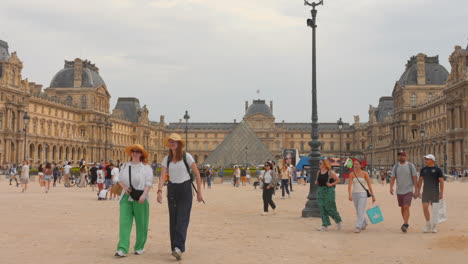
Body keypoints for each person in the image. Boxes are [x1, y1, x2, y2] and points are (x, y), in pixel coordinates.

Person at [157, 133, 203, 261]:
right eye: (170, 141)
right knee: (173, 219)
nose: (172, 143)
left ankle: (178, 247)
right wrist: (159, 190)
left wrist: (199, 192)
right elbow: (162, 176)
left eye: (174, 141)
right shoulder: (166, 159)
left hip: (185, 189)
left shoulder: (186, 156)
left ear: (179, 144)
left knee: (182, 218)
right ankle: (175, 248)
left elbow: (197, 174)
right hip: (172, 189)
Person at [115, 144, 153, 257]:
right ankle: (122, 248)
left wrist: (144, 195)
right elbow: (119, 179)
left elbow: (149, 182)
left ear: (141, 154)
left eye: (137, 151)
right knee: (124, 223)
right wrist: (124, 187)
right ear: (130, 153)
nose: (135, 153)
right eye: (133, 151)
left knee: (141, 223)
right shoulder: (125, 165)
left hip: (141, 196)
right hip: (126, 196)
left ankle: (139, 246)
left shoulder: (146, 167)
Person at [390, 151, 418, 233]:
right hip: (399, 190)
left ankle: (405, 224)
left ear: (406, 156)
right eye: (399, 155)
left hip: (408, 190)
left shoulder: (410, 165)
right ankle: (405, 222)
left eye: (402, 155)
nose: (401, 157)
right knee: (402, 207)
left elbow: (414, 177)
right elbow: (392, 177)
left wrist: (416, 189)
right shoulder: (396, 166)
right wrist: (391, 187)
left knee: (406, 206)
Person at [416, 154, 444, 233]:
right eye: (425, 159)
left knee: (435, 210)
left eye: (427, 159)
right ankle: (428, 224)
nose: (426, 160)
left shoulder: (438, 170)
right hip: (426, 191)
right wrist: (418, 191)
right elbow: (420, 180)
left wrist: (441, 192)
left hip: (435, 192)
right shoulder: (423, 169)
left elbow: (441, 182)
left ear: (432, 160)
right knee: (425, 208)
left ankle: (434, 225)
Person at [348, 159, 376, 233]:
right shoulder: (352, 174)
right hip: (354, 194)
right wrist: (349, 195)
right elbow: (349, 186)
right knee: (358, 211)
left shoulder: (365, 173)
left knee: (360, 210)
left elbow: (369, 185)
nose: (355, 165)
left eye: (357, 164)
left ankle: (358, 226)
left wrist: (373, 196)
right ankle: (364, 223)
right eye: (354, 164)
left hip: (363, 194)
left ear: (360, 165)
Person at [315, 159, 342, 232]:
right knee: (322, 207)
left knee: (329, 206)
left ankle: (338, 220)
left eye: (320, 163)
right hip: (320, 190)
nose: (319, 164)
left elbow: (338, 180)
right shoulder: (318, 172)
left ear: (324, 164)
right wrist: (317, 181)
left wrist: (331, 184)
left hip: (329, 190)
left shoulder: (330, 172)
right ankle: (325, 225)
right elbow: (318, 180)